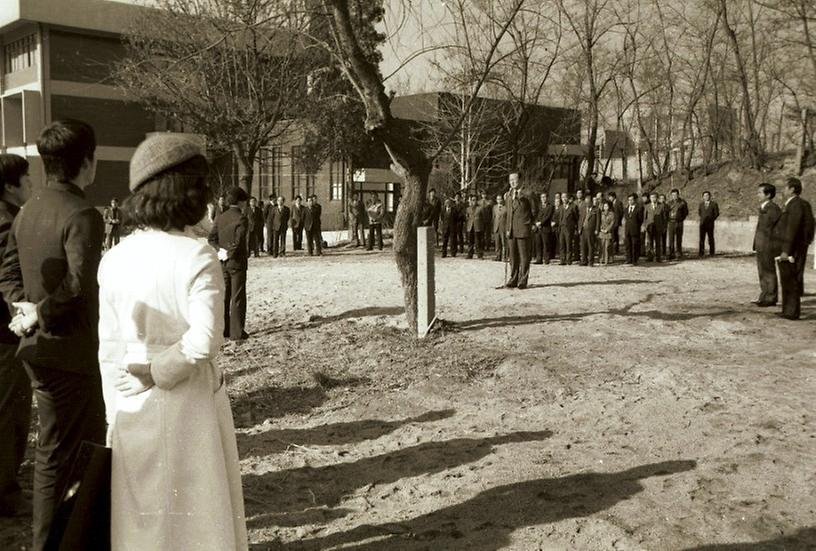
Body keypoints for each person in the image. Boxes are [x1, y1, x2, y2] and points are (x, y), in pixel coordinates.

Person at [99, 133, 247, 550]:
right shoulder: (196, 255)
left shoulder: (114, 258)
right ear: (187, 191)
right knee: (197, 517)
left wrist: (115, 410)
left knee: (139, 517)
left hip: (129, 400)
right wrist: (157, 371)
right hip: (187, 399)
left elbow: (108, 345)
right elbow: (203, 342)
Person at [0, 120, 106, 549]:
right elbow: (79, 287)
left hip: (38, 350)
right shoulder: (82, 214)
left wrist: (23, 309)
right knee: (64, 454)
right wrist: (39, 313)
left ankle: (73, 535)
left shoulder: (27, 210)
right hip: (73, 353)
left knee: (63, 451)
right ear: (87, 162)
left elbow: (6, 273)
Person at [0, 154, 31, 519]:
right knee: (10, 413)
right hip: (6, 337)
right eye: (28, 180)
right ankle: (7, 492)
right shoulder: (7, 223)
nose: (32, 186)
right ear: (10, 185)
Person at [208, 186, 249, 340]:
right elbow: (239, 242)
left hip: (222, 262)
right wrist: (230, 253)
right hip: (237, 263)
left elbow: (211, 238)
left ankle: (224, 330)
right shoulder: (241, 218)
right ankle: (237, 332)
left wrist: (221, 252)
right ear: (240, 202)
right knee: (237, 297)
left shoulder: (220, 217)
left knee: (225, 296)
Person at [775, 177, 815, 320]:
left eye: (785, 187)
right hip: (796, 247)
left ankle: (791, 312)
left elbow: (792, 228)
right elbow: (810, 226)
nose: (783, 190)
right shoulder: (802, 204)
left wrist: (786, 249)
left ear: (792, 189)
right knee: (790, 279)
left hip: (791, 249)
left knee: (790, 279)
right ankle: (788, 310)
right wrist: (806, 242)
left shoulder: (795, 205)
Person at [752, 183, 781, 307]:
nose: (757, 194)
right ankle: (764, 295)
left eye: (760, 192)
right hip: (761, 244)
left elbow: (775, 228)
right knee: (762, 271)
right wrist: (755, 243)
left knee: (768, 270)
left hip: (768, 245)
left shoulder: (773, 208)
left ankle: (770, 297)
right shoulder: (763, 207)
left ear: (768, 194)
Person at [504, 173, 533, 289]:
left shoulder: (528, 194)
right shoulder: (508, 195)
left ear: (520, 180)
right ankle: (513, 278)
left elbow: (535, 210)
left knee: (524, 257)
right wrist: (507, 228)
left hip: (523, 229)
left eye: (514, 179)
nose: (512, 182)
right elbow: (508, 213)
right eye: (510, 180)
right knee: (513, 257)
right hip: (511, 230)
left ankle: (523, 280)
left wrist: (529, 223)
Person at [667, 189, 689, 259]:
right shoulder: (669, 203)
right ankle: (671, 253)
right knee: (671, 239)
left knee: (679, 238)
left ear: (678, 194)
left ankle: (678, 253)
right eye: (673, 195)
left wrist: (681, 219)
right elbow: (666, 212)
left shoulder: (683, 202)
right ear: (671, 195)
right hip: (671, 222)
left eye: (676, 195)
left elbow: (686, 212)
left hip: (679, 222)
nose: (674, 196)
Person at [644, 191, 665, 262]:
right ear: (650, 198)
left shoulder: (661, 206)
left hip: (658, 227)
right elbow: (645, 218)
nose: (653, 199)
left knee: (658, 242)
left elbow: (664, 218)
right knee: (650, 242)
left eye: (655, 197)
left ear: (657, 198)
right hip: (650, 227)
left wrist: (663, 227)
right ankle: (650, 256)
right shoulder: (647, 206)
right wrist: (645, 226)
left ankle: (658, 257)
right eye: (652, 197)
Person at [579, 195, 600, 266]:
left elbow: (598, 221)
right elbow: (580, 219)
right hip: (583, 230)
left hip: (591, 230)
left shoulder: (596, 210)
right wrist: (579, 228)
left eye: (588, 203)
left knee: (590, 245)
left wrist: (597, 229)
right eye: (586, 203)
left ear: (591, 202)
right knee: (583, 246)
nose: (587, 204)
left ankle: (591, 261)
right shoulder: (583, 209)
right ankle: (584, 261)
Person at [533, 193, 554, 264]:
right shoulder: (539, 206)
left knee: (546, 244)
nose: (543, 198)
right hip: (538, 228)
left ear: (547, 198)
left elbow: (548, 217)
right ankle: (539, 259)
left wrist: (541, 223)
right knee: (538, 244)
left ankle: (546, 259)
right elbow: (535, 215)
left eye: (545, 197)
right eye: (542, 197)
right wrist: (536, 222)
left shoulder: (550, 206)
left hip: (545, 227)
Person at [623, 193, 643, 265]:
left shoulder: (639, 208)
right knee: (628, 245)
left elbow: (640, 220)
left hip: (635, 229)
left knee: (635, 245)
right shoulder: (626, 209)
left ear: (635, 200)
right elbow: (626, 218)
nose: (630, 201)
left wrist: (637, 226)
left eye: (631, 200)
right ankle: (629, 259)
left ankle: (635, 260)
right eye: (629, 200)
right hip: (627, 229)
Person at [698, 191, 719, 257]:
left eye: (707, 195)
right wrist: (703, 219)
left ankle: (712, 252)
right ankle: (701, 252)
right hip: (702, 224)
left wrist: (711, 219)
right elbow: (699, 212)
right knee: (701, 238)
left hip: (710, 224)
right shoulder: (701, 204)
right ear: (703, 197)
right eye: (704, 196)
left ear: (710, 196)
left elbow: (716, 213)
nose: (706, 197)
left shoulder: (714, 204)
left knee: (710, 238)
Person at [559, 194, 578, 265]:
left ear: (568, 198)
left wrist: (574, 227)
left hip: (569, 228)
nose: (564, 199)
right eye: (562, 197)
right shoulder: (561, 207)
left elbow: (576, 218)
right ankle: (562, 260)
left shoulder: (573, 207)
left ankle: (569, 260)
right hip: (562, 228)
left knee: (568, 244)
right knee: (562, 244)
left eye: (565, 197)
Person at [464, 195, 485, 259]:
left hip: (478, 227)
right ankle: (470, 254)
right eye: (472, 200)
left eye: (474, 200)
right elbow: (466, 218)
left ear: (476, 201)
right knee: (470, 241)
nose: (473, 201)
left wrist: (482, 226)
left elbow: (483, 218)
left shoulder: (480, 208)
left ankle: (479, 254)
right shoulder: (468, 209)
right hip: (470, 227)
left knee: (478, 241)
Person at [598, 200, 615, 265]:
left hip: (608, 232)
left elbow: (612, 223)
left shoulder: (612, 214)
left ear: (609, 207)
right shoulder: (601, 213)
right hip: (602, 231)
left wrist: (607, 229)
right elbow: (599, 222)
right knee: (601, 246)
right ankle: (601, 259)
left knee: (607, 246)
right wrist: (601, 229)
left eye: (607, 206)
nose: (605, 207)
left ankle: (607, 260)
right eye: (604, 206)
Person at [608, 191, 624, 255]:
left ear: (614, 196)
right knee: (612, 235)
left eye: (610, 197)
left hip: (616, 222)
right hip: (611, 221)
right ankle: (613, 249)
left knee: (615, 235)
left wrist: (618, 220)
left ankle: (616, 249)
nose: (609, 198)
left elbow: (621, 212)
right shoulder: (610, 203)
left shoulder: (618, 202)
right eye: (609, 197)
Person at [492, 194, 507, 262]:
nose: (499, 200)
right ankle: (498, 256)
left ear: (502, 200)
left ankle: (505, 257)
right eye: (498, 199)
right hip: (496, 227)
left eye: (500, 199)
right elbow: (493, 218)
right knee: (497, 243)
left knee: (504, 243)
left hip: (503, 227)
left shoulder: (506, 207)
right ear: (496, 200)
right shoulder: (494, 207)